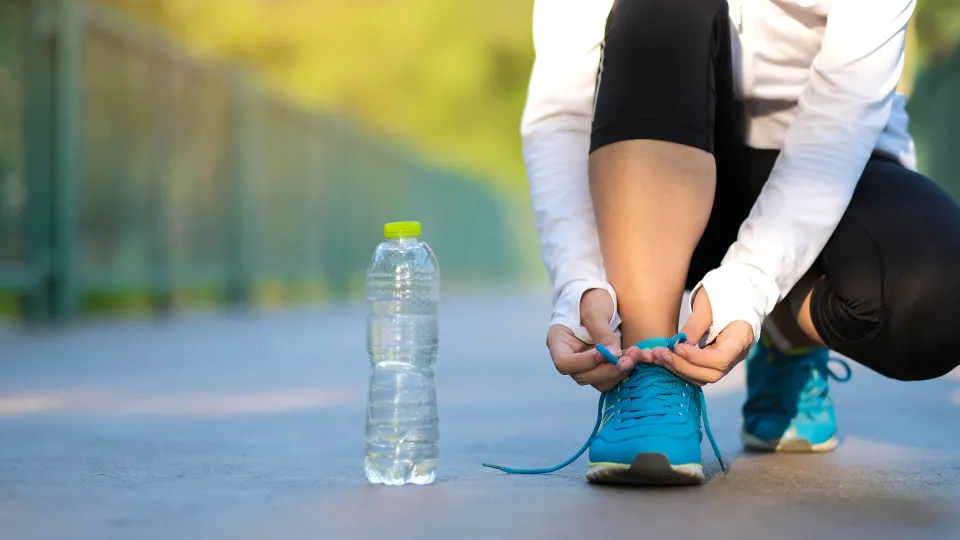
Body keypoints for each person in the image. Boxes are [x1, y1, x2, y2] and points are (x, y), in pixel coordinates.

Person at [513, 0, 960, 484]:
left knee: (934, 300)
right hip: (660, 175)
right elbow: (561, 111)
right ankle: (649, 368)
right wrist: (578, 281)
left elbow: (841, 118)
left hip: (828, 161)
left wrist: (751, 288)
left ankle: (785, 336)